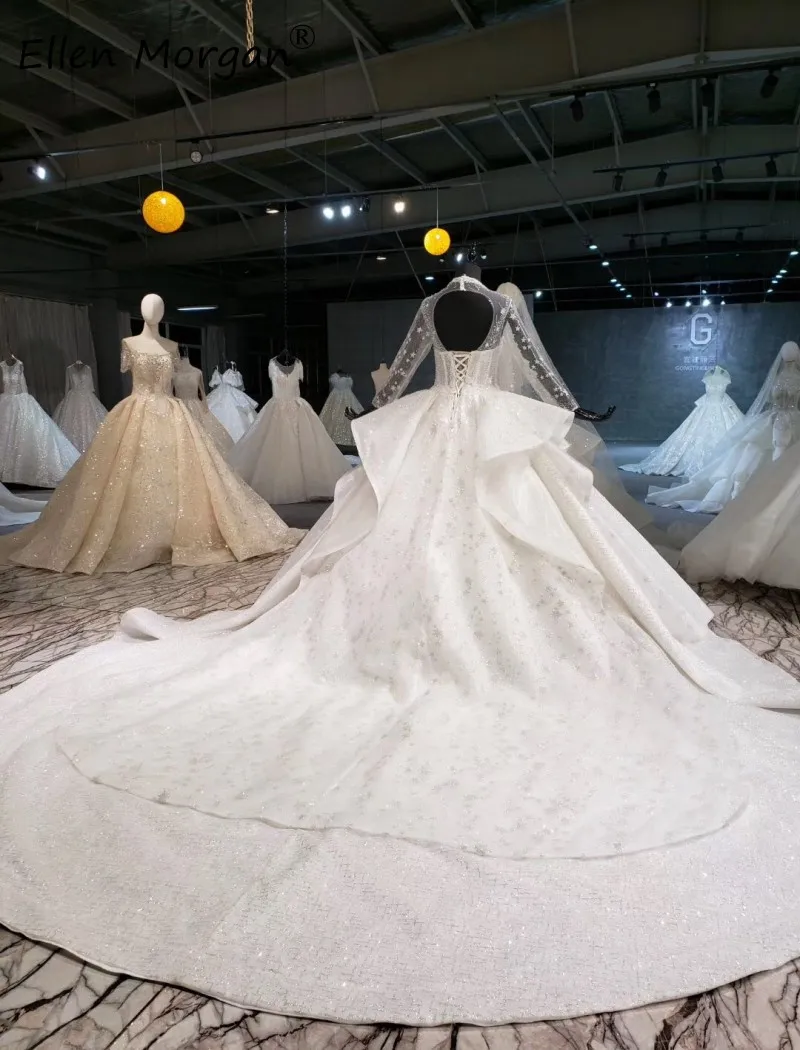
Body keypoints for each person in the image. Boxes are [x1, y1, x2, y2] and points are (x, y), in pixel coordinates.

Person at [0, 275, 799, 1028]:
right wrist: (571, 408)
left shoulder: (437, 306)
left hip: (436, 424)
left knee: (429, 541)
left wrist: (388, 401)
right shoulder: (493, 308)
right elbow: (537, 373)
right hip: (474, 423)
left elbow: (403, 376)